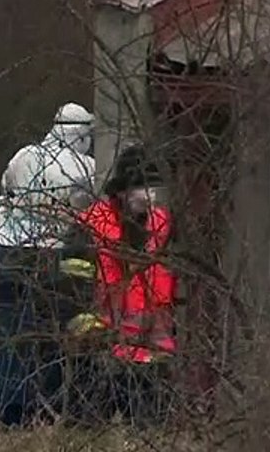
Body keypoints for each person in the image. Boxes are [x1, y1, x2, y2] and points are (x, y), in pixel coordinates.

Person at [73, 144, 177, 423]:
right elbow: (72, 291)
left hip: (154, 358)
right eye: (143, 188)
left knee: (151, 430)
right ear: (121, 192)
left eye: (153, 188)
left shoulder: (163, 225)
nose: (150, 195)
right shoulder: (92, 225)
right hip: (103, 356)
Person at [0, 103, 96, 247]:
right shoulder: (88, 166)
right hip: (56, 244)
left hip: (7, 239)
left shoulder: (24, 154)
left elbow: (6, 187)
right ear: (81, 135)